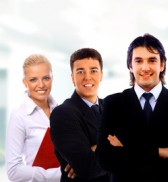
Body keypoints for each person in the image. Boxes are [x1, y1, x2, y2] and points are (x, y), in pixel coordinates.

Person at [96, 33, 168, 182]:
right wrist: (159, 152)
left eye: (152, 60)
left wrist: (126, 150)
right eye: (138, 61)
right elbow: (105, 159)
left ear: (162, 65)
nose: (145, 67)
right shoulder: (113, 104)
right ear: (130, 66)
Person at [50, 48, 110, 182]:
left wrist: (96, 148)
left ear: (101, 75)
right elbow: (87, 167)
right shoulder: (62, 113)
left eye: (93, 70)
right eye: (80, 71)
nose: (87, 77)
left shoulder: (112, 109)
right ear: (72, 77)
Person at [5, 54, 61, 182]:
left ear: (52, 78)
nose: (41, 85)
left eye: (46, 78)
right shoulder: (19, 116)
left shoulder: (61, 111)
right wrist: (57, 174)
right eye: (33, 79)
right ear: (25, 82)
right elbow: (13, 170)